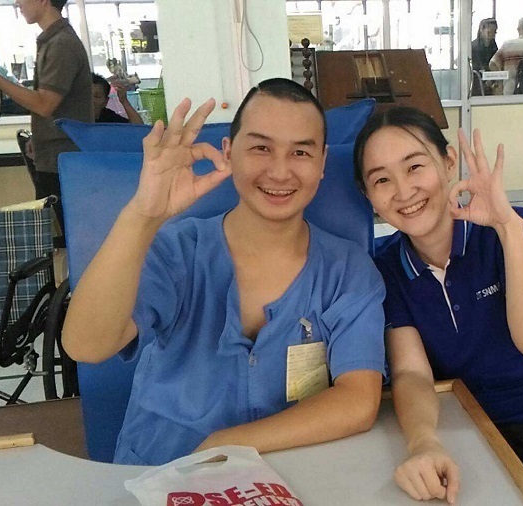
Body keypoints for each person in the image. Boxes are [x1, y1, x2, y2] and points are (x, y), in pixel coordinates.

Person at [61, 78, 386, 466]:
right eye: (261, 148)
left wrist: (225, 444)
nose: (280, 171)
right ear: (229, 152)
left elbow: (358, 400)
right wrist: (143, 215)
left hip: (285, 471)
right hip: (161, 468)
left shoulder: (348, 271)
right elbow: (87, 346)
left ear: (322, 163)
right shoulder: (178, 251)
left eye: (301, 152)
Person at [354, 107, 523, 505]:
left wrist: (507, 227)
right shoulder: (386, 266)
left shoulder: (512, 228)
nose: (403, 190)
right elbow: (411, 372)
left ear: (448, 162)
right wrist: (423, 441)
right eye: (382, 179)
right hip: (471, 423)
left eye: (415, 167)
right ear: (368, 196)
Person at [0, 0, 92, 228]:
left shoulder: (62, 44)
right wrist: (39, 137)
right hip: (54, 156)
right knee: (54, 233)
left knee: (69, 235)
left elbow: (44, 104)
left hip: (64, 161)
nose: (18, 3)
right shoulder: (51, 40)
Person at [470, 18, 498, 96]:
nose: (492, 36)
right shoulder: (473, 47)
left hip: (490, 82)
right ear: (481, 30)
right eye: (489, 32)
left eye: (494, 33)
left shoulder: (493, 46)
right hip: (476, 83)